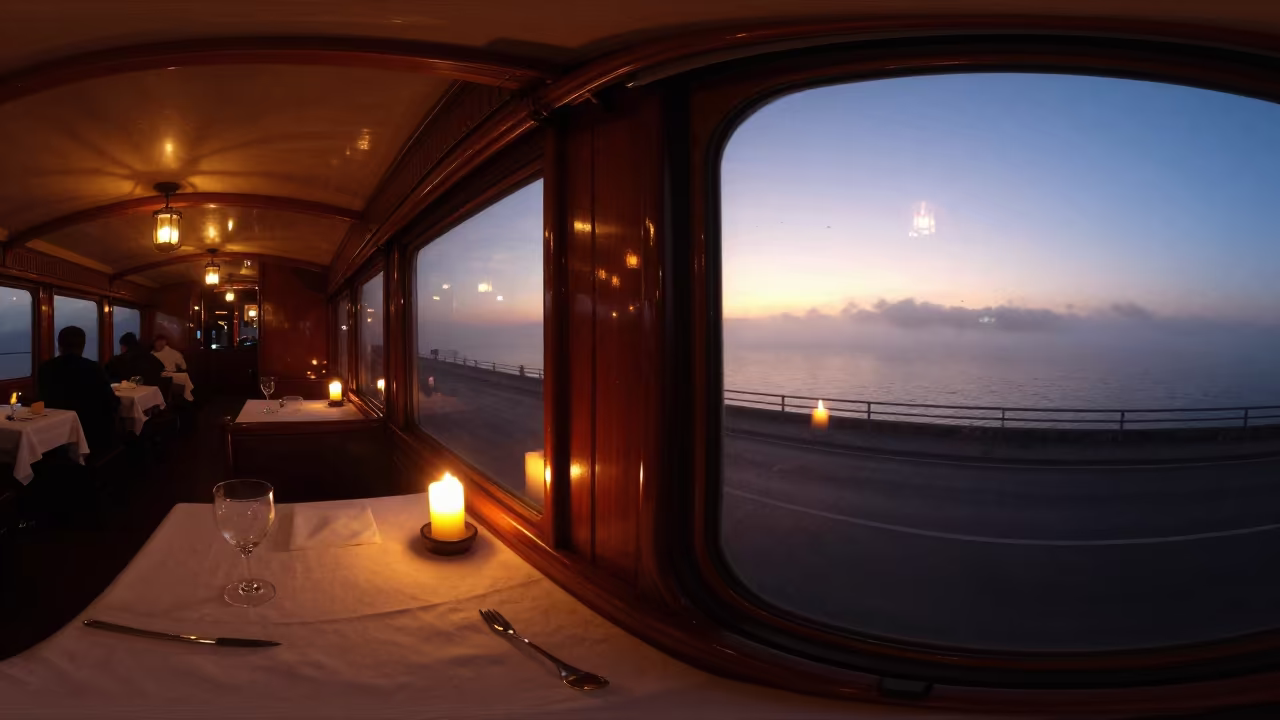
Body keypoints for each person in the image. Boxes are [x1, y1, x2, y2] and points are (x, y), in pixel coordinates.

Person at [37, 326, 120, 454]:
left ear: (59, 345)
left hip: (53, 436)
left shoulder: (45, 369)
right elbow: (110, 402)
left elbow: (40, 401)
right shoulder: (93, 369)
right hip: (92, 434)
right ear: (83, 346)